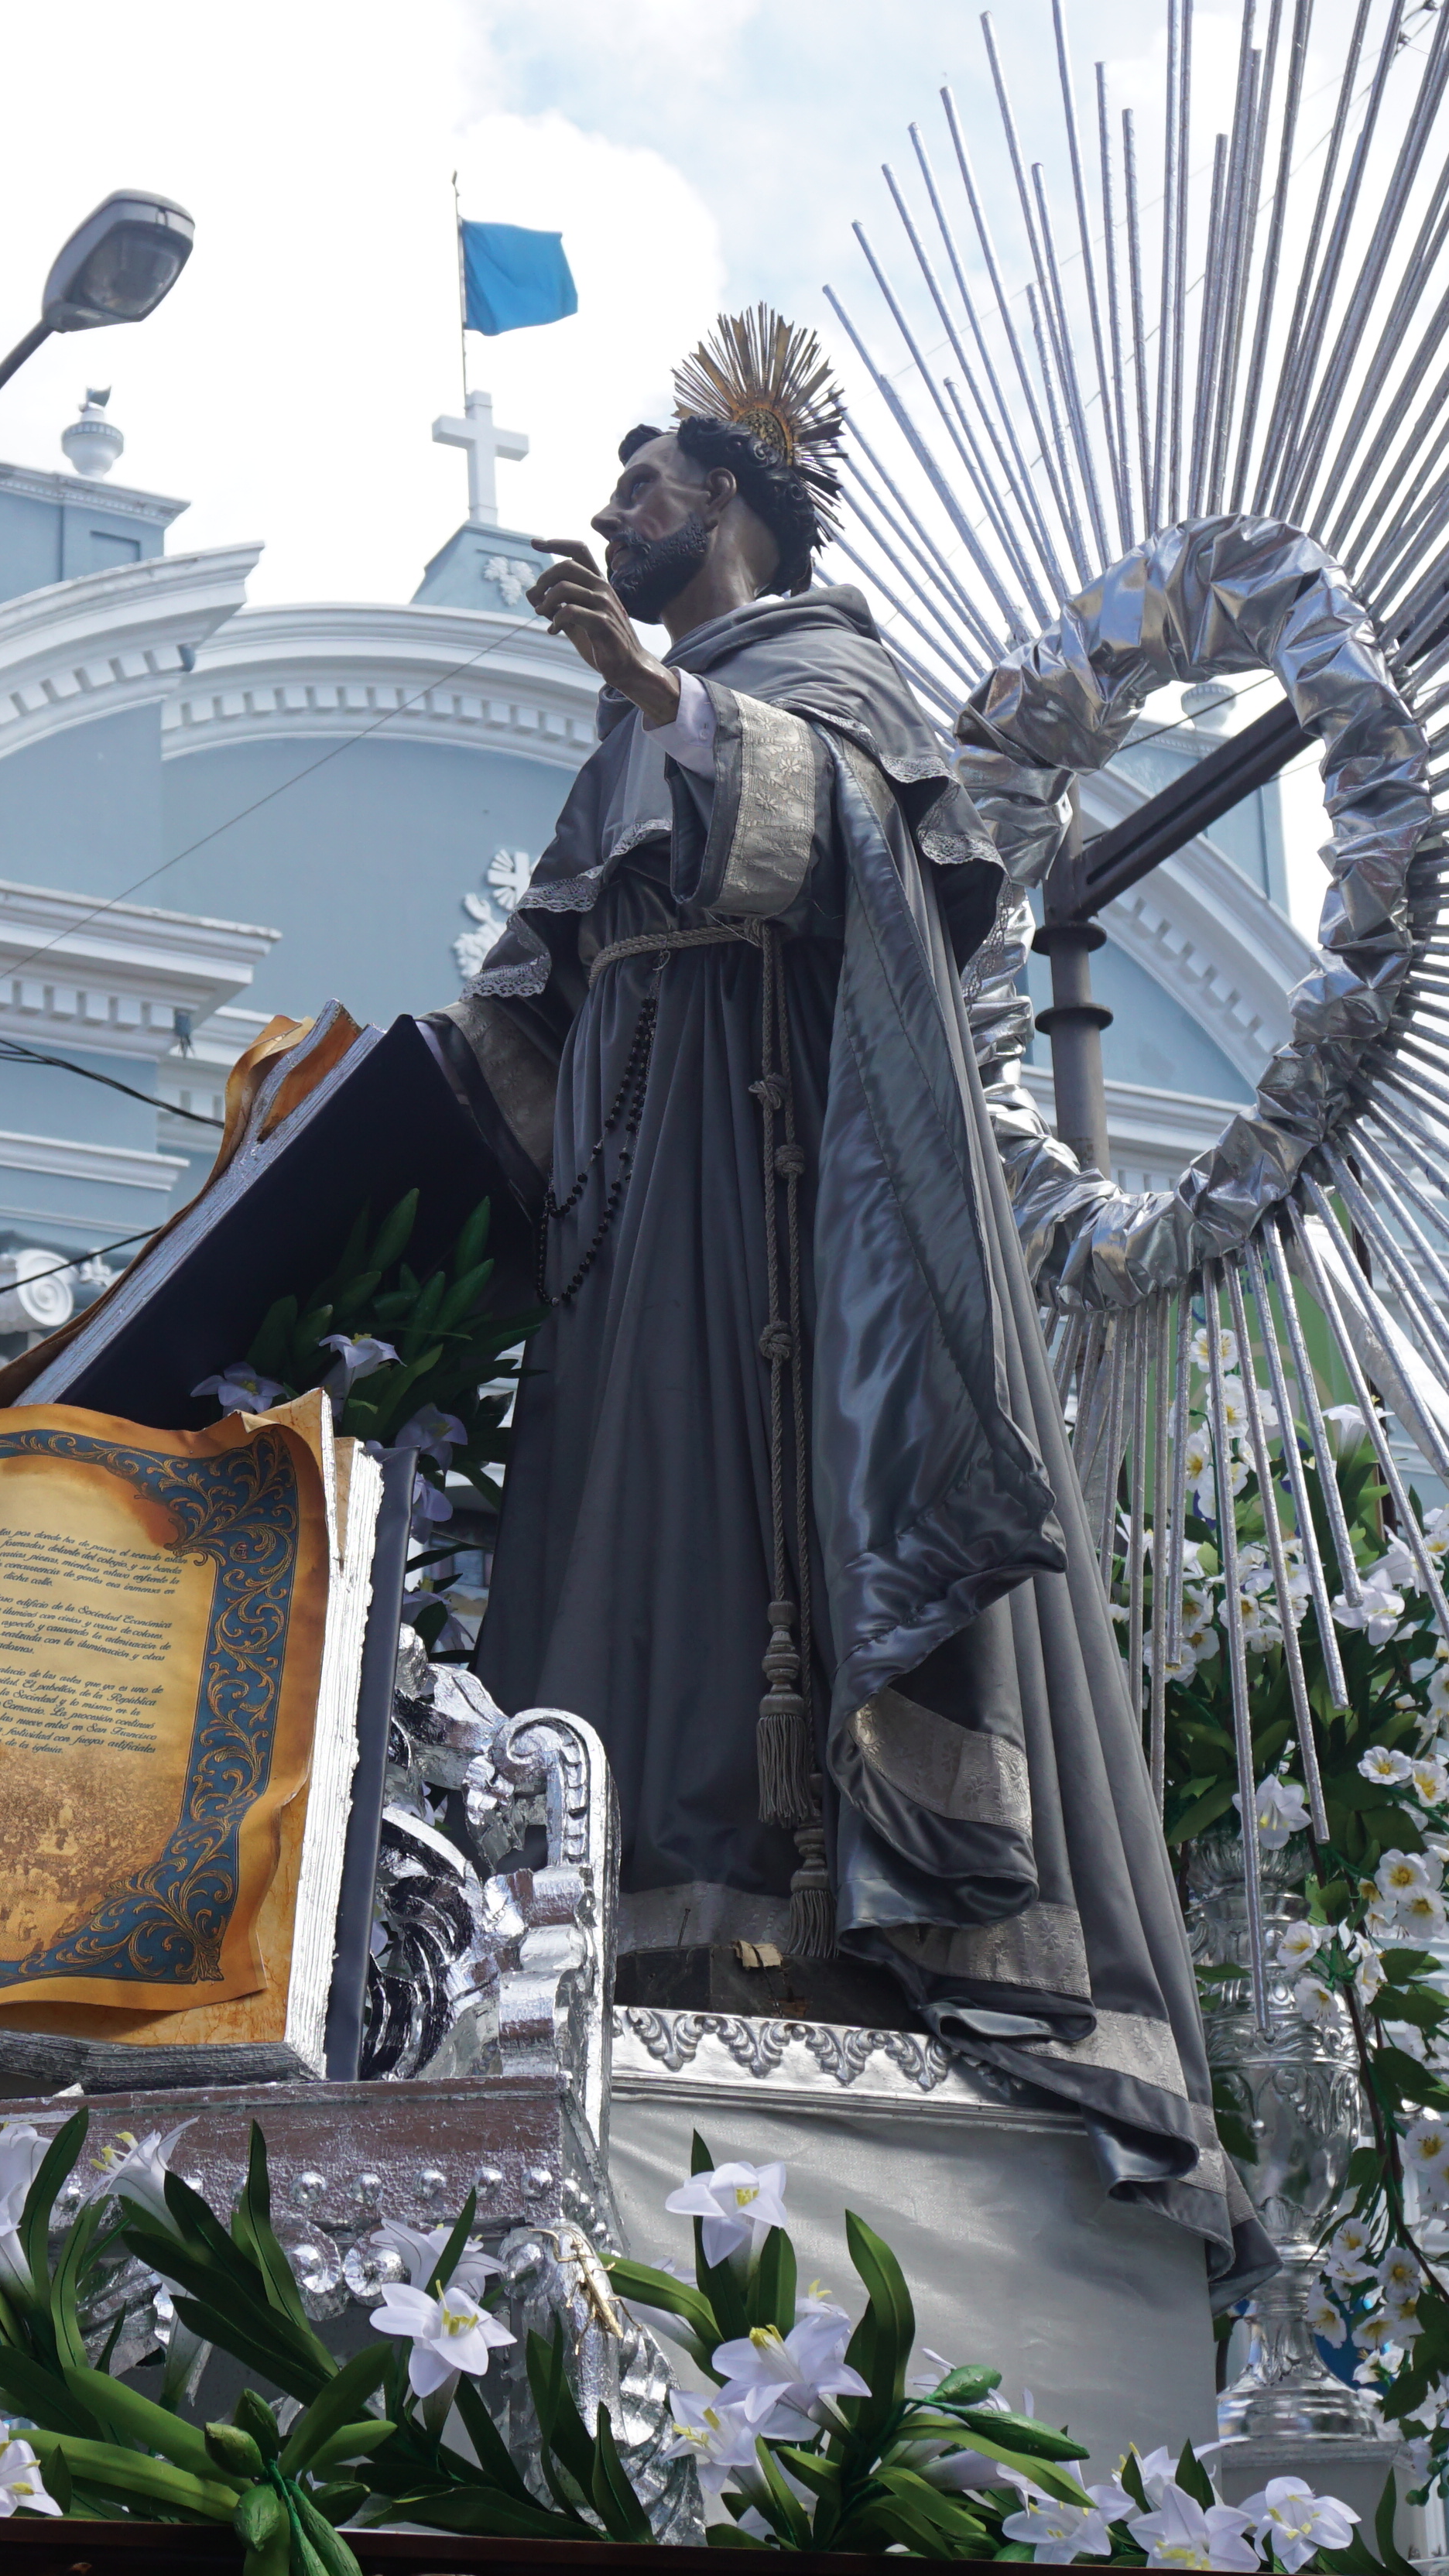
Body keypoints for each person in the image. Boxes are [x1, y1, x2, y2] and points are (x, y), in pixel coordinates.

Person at [437, 309, 1251, 2274]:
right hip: (631, 1248)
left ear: (733, 508)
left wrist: (663, 697)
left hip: (781, 1229)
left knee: (743, 1563)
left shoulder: (821, 677)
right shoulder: (639, 714)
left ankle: (802, 1945)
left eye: (647, 483)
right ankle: (609, 1957)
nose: (614, 512)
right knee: (622, 1561)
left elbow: (864, 859)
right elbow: (536, 1004)